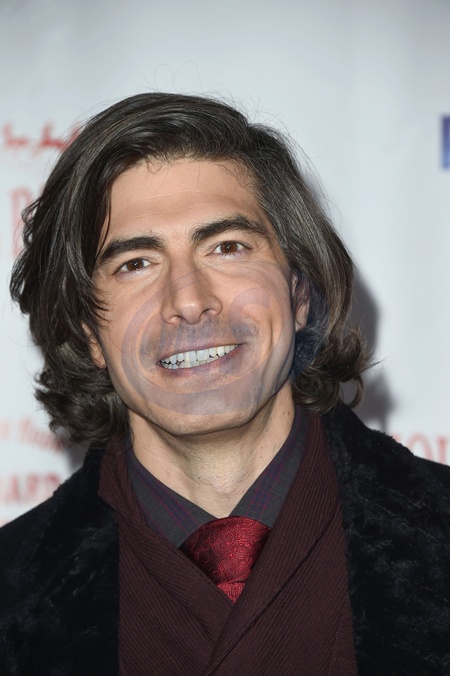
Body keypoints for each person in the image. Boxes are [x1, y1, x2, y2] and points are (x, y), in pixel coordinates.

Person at [1, 93, 450, 676]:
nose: (189, 300)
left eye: (227, 247)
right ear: (87, 331)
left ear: (299, 294)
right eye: (136, 263)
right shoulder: (12, 591)